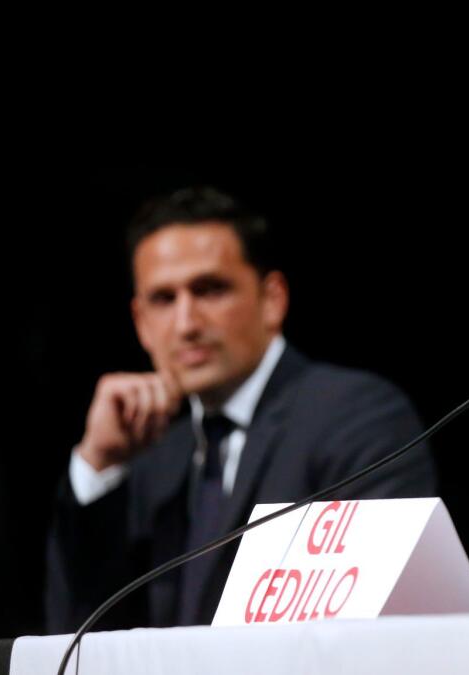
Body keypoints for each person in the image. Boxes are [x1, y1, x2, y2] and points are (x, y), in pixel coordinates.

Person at [45, 187, 437, 631]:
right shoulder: (151, 459)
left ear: (272, 299)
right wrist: (100, 464)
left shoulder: (356, 417)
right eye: (163, 299)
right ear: (141, 324)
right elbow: (76, 635)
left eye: (210, 290)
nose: (187, 324)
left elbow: (371, 620)